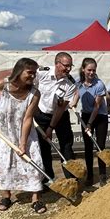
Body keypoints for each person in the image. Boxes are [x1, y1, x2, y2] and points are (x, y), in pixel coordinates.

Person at [0, 58, 46, 213]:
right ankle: (6, 196)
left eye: (34, 73)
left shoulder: (34, 94)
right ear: (19, 71)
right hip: (4, 133)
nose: (32, 76)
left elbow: (27, 119)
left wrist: (23, 144)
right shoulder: (3, 86)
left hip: (25, 133)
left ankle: (36, 199)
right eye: (29, 72)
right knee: (5, 164)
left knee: (32, 162)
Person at [34, 52, 77, 182]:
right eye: (66, 66)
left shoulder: (70, 83)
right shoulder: (42, 73)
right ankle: (48, 179)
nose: (68, 69)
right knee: (43, 146)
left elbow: (60, 108)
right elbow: (31, 88)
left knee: (66, 146)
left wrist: (51, 127)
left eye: (70, 66)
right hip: (41, 114)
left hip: (60, 116)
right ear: (57, 64)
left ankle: (71, 178)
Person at [70, 58, 108, 186]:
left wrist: (90, 124)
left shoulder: (99, 85)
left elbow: (97, 107)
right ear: (83, 69)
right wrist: (74, 102)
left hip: (100, 117)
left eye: (94, 70)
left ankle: (103, 175)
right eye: (89, 70)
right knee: (88, 148)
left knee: (100, 146)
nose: (91, 73)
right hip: (86, 115)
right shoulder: (78, 82)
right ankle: (90, 176)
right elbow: (77, 94)